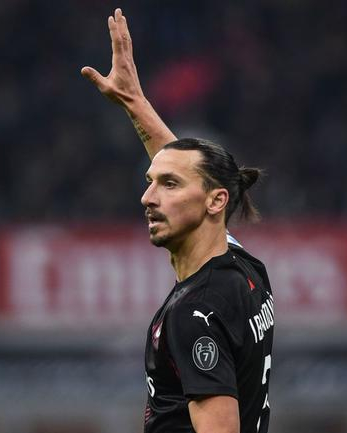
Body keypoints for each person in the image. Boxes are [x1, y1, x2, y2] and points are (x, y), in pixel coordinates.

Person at [81, 9, 274, 433]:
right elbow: (193, 174)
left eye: (167, 185)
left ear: (215, 202)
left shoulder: (195, 313)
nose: (147, 198)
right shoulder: (246, 270)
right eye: (150, 182)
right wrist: (134, 102)